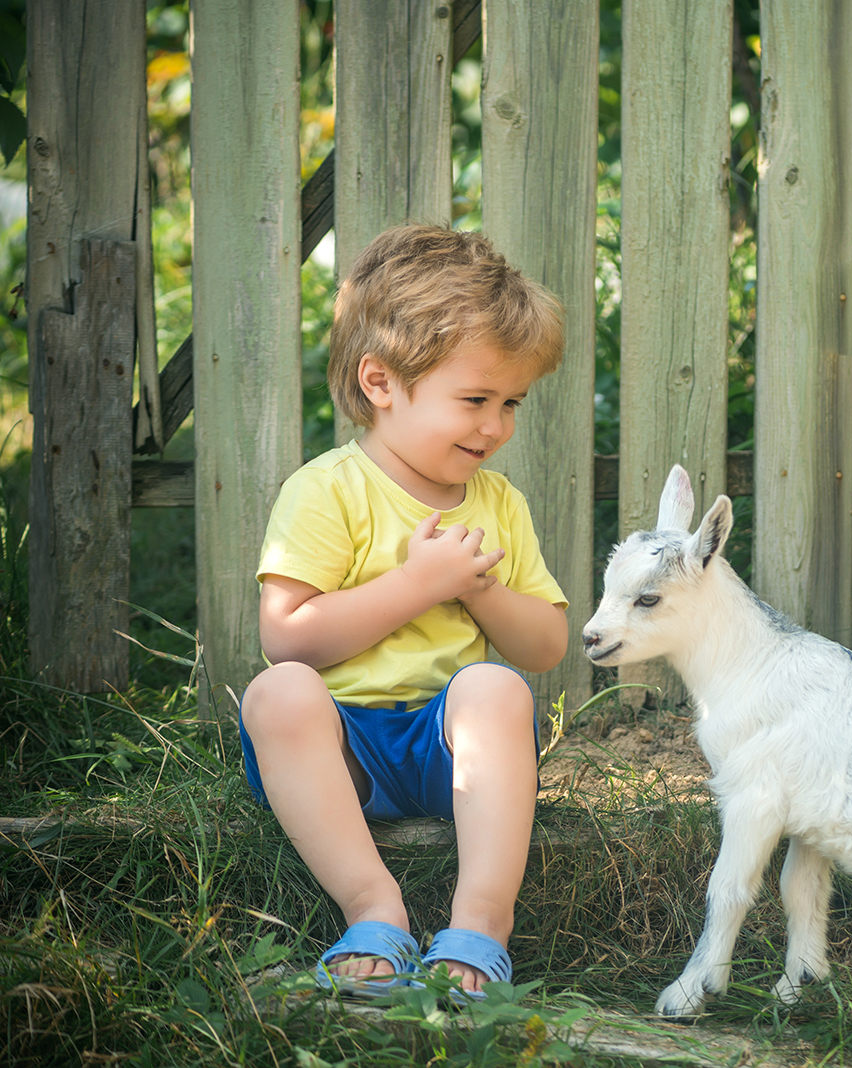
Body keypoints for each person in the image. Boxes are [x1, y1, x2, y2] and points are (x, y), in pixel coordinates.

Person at [238, 223, 569, 1000]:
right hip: (339, 751)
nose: (496, 426)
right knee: (275, 694)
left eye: (511, 402)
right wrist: (418, 584)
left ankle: (482, 920)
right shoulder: (326, 490)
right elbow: (287, 637)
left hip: (442, 748)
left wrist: (480, 590)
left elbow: (548, 644)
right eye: (475, 399)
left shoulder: (498, 503)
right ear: (381, 382)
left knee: (497, 689)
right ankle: (372, 906)